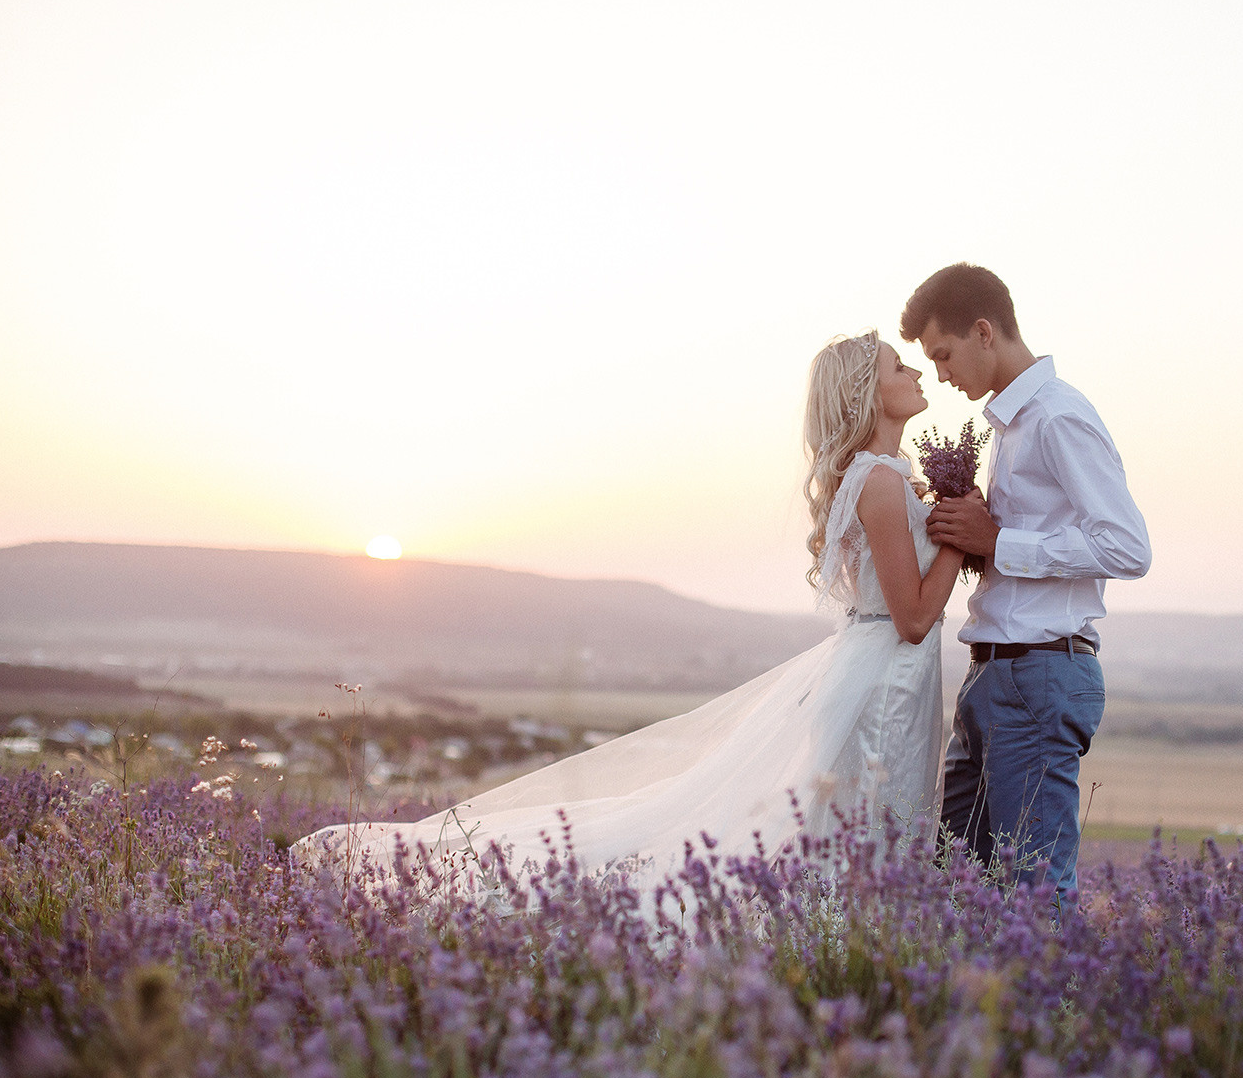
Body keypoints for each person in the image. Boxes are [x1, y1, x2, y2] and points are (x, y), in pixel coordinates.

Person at [292, 331, 965, 902]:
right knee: (873, 823)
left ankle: (860, 949)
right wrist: (964, 538)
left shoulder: (887, 477)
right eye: (897, 367)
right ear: (867, 394)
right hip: (885, 680)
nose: (911, 372)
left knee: (860, 826)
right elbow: (911, 616)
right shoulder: (879, 482)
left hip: (883, 671)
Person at [904, 263, 1150, 899]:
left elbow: (1126, 546)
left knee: (1034, 895)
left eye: (944, 355)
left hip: (1040, 676)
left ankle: (1055, 1002)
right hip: (992, 674)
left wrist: (996, 541)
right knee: (956, 884)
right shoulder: (1010, 427)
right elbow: (1021, 552)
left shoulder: (1058, 417)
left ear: (984, 331)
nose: (941, 376)